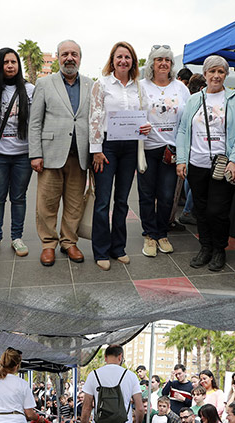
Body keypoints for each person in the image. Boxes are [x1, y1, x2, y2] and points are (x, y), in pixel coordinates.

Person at [29, 40, 92, 266]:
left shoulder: (90, 85)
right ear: (58, 57)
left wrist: (94, 152)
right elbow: (35, 122)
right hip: (50, 154)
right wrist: (35, 153)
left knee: (75, 203)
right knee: (47, 204)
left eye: (74, 54)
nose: (69, 58)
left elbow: (93, 121)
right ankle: (48, 244)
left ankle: (69, 242)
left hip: (79, 155)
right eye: (65, 54)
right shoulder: (45, 83)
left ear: (80, 58)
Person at [175, 55, 235, 272]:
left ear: (226, 75)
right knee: (200, 210)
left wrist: (234, 160)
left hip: (222, 166)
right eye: (212, 71)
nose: (216, 76)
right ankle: (205, 247)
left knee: (218, 211)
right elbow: (183, 130)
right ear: (205, 74)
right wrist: (182, 160)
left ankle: (219, 249)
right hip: (196, 163)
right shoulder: (194, 100)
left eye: (220, 71)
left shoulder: (234, 99)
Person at [89, 41, 147, 270]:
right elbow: (94, 117)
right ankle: (101, 250)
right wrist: (97, 150)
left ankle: (118, 247)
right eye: (119, 57)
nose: (123, 61)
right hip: (107, 146)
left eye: (128, 57)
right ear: (112, 60)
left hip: (130, 146)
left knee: (122, 201)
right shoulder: (101, 84)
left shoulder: (139, 87)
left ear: (133, 61)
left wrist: (146, 126)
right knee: (103, 201)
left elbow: (144, 115)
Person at [0, 49, 34, 259]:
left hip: (23, 154)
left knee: (19, 198)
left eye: (14, 62)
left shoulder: (30, 89)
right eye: (5, 62)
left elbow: (36, 120)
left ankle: (17, 238)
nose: (10, 66)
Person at [137, 45, 189, 257]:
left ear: (171, 64)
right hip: (148, 148)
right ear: (151, 63)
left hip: (172, 150)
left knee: (167, 196)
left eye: (167, 60)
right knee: (147, 194)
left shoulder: (180, 88)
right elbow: (130, 114)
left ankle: (162, 233)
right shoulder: (141, 86)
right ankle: (149, 234)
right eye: (159, 59)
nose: (163, 63)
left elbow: (187, 120)